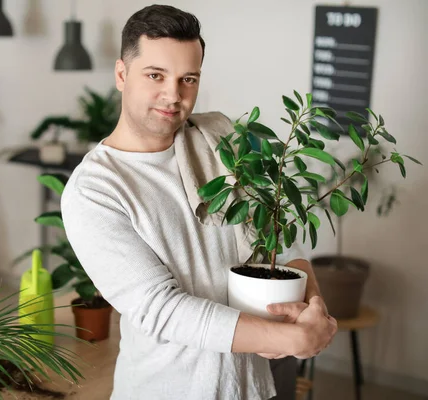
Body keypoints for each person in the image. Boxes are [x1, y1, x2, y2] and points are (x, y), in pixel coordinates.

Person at [60, 4, 337, 400]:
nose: (173, 95)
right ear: (122, 75)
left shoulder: (222, 147)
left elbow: (282, 251)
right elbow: (160, 308)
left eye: (187, 79)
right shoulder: (95, 189)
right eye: (155, 75)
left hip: (254, 386)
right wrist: (294, 339)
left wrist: (314, 308)